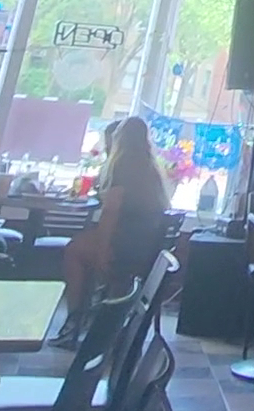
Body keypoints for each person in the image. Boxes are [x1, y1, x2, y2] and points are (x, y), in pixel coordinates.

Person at [55, 115, 169, 346]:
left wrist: (102, 249)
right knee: (84, 245)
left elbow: (111, 210)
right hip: (147, 247)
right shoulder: (152, 169)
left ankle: (74, 320)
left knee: (74, 250)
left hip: (126, 245)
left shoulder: (123, 164)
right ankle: (92, 318)